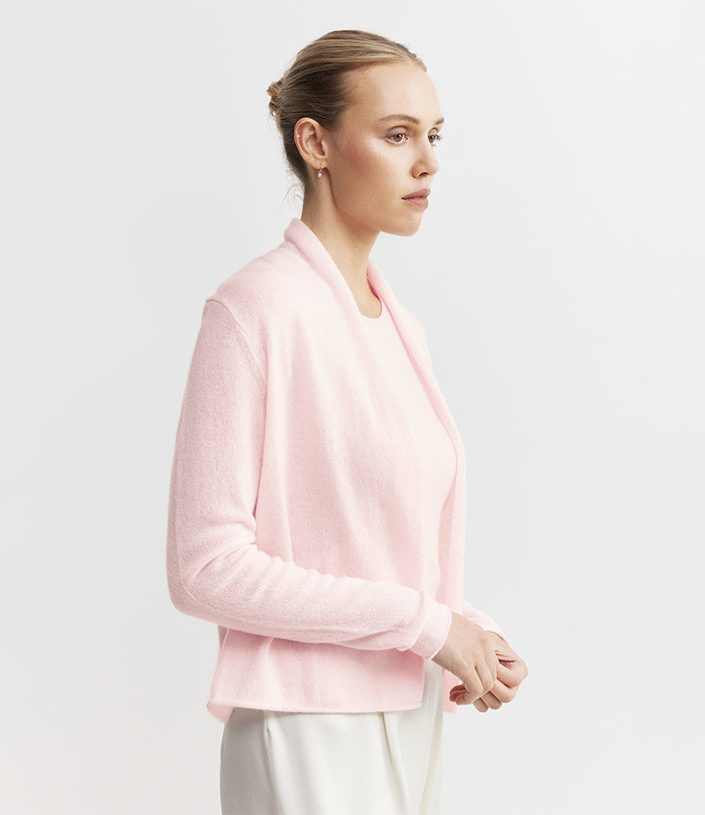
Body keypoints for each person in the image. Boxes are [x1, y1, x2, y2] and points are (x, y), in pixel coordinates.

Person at [167, 29, 527, 815]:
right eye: (397, 135)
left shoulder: (399, 325)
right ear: (315, 143)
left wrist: (465, 630)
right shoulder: (255, 309)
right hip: (307, 723)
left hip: (410, 712)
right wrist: (427, 625)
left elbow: (372, 545)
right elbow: (204, 566)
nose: (427, 162)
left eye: (433, 136)